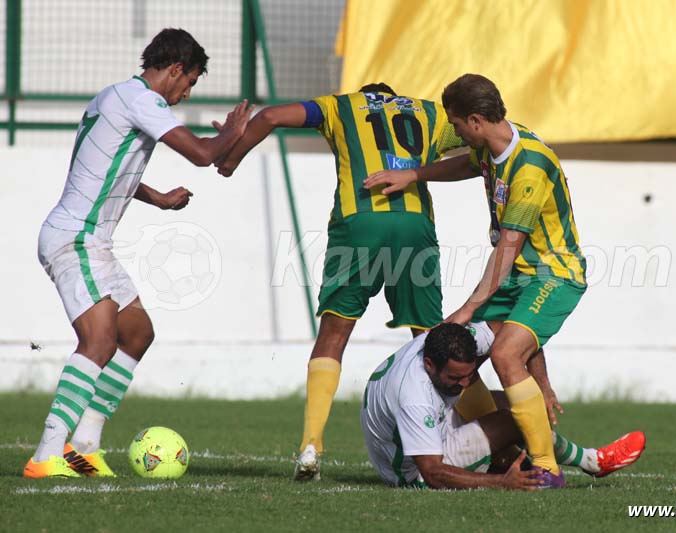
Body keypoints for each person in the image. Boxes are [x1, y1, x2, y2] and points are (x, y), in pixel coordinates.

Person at [24, 28, 253, 478]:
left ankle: (84, 446)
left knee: (136, 335)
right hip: (76, 237)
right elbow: (203, 155)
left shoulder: (113, 98)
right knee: (99, 340)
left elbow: (104, 169)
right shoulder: (143, 100)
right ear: (174, 69)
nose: (186, 93)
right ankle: (46, 455)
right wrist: (232, 132)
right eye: (188, 83)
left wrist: (159, 199)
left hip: (91, 240)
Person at [215, 83, 463, 481]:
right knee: (434, 340)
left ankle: (311, 445)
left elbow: (271, 116)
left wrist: (230, 159)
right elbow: (479, 142)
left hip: (359, 223)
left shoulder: (340, 107)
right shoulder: (428, 112)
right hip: (413, 226)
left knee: (334, 333)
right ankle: (473, 439)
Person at [364, 74, 587, 487]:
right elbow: (468, 164)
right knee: (468, 355)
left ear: (476, 121)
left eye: (457, 124)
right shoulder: (489, 147)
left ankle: (549, 470)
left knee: (503, 355)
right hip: (518, 276)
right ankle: (544, 452)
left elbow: (509, 246)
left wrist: (468, 307)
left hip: (552, 274)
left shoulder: (530, 166)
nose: (454, 131)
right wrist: (414, 175)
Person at [362, 322, 645, 489]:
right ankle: (591, 460)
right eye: (454, 378)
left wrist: (541, 384)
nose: (462, 385)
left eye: (467, 375)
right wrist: (501, 484)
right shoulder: (414, 396)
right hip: (412, 471)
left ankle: (514, 461)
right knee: (515, 420)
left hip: (429, 428)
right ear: (429, 365)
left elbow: (516, 331)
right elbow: (432, 472)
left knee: (518, 404)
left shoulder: (452, 342)